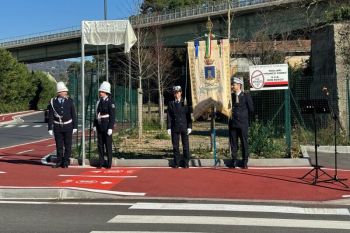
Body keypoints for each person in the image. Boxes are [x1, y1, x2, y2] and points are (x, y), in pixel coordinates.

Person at [48, 82, 77, 168]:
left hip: (68, 126)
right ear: (59, 92)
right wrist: (50, 127)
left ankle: (66, 162)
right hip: (57, 126)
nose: (66, 93)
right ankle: (59, 161)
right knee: (59, 145)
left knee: (68, 145)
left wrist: (75, 126)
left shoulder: (70, 101)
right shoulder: (53, 102)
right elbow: (51, 116)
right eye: (64, 91)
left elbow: (73, 115)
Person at [228, 77, 254, 169]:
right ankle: (234, 160)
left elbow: (251, 109)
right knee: (233, 143)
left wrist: (245, 118)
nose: (232, 86)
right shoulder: (230, 96)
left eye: (233, 84)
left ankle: (244, 161)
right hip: (233, 123)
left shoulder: (246, 96)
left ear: (239, 85)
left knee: (244, 142)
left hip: (243, 123)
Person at [167, 86, 192, 168]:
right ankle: (176, 162)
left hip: (184, 126)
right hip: (175, 127)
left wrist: (189, 126)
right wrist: (168, 127)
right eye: (175, 93)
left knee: (186, 146)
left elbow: (188, 116)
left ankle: (186, 162)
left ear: (181, 93)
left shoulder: (185, 102)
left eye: (177, 92)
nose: (176, 94)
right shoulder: (171, 103)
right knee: (175, 146)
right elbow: (169, 116)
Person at [93, 81, 116, 169]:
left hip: (106, 126)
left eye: (101, 91)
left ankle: (109, 163)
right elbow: (96, 114)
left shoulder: (110, 102)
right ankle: (101, 162)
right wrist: (95, 125)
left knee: (108, 145)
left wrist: (110, 127)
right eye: (100, 91)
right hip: (100, 125)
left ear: (106, 92)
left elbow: (112, 116)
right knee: (100, 145)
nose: (100, 93)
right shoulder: (99, 102)